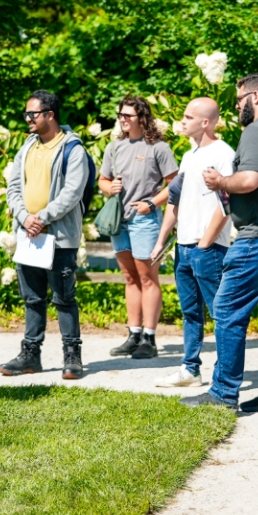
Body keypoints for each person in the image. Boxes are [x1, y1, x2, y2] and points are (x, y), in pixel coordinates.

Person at [181, 74, 258, 412]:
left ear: (256, 97)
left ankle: (223, 393)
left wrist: (220, 181)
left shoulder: (257, 131)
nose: (236, 107)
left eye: (239, 100)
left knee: (226, 309)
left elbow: (250, 179)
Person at [2, 90, 89, 379]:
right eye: (26, 114)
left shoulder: (72, 149)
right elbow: (14, 187)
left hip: (59, 238)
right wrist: (25, 217)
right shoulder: (27, 146)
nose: (27, 119)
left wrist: (41, 218)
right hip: (29, 235)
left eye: (33, 114)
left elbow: (72, 193)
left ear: (50, 115)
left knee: (64, 298)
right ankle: (30, 355)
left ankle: (72, 357)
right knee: (32, 298)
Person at [150, 98, 234, 387]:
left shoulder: (224, 154)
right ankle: (190, 370)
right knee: (190, 313)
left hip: (208, 248)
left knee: (220, 313)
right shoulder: (189, 155)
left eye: (188, 117)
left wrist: (204, 244)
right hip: (183, 247)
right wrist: (161, 240)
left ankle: (224, 375)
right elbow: (175, 201)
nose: (182, 121)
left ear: (205, 122)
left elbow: (226, 204)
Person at [102, 96, 179, 360]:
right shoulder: (114, 147)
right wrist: (108, 187)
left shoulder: (158, 147)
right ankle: (133, 335)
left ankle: (149, 338)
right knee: (130, 277)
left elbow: (175, 183)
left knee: (147, 277)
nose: (122, 119)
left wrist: (151, 203)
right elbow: (103, 180)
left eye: (128, 115)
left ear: (142, 118)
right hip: (119, 220)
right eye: (120, 114)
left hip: (144, 219)